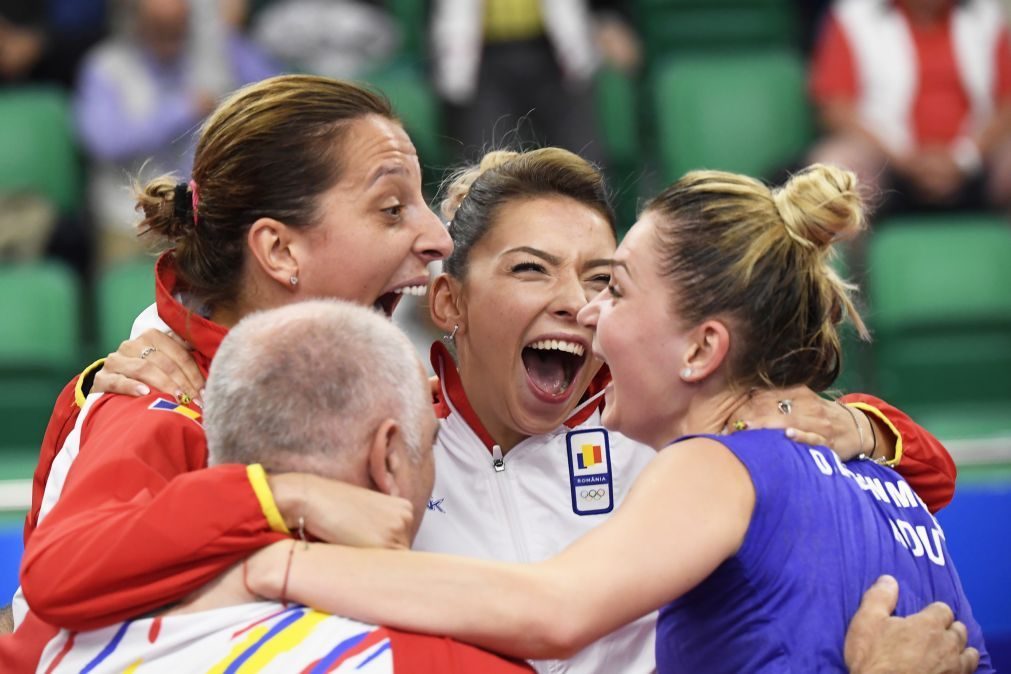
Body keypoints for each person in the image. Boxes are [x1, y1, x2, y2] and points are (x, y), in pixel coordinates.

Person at [86, 149, 960, 674]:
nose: (582, 309)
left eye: (604, 280)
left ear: (701, 346)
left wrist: (867, 429)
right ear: (449, 305)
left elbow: (921, 470)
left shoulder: (674, 436)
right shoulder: (373, 439)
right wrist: (138, 376)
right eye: (532, 270)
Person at [2, 73, 453, 672]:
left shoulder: (382, 392)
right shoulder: (154, 399)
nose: (438, 238)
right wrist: (285, 497)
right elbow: (61, 570)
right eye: (392, 209)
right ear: (280, 252)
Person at [36, 299, 531, 673]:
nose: (433, 239)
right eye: (389, 210)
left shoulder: (70, 649)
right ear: (387, 456)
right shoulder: (441, 663)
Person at [75, 0, 279, 263]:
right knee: (128, 289)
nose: (171, 34)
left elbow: (275, 91)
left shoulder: (219, 50)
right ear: (136, 22)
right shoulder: (105, 66)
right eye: (160, 26)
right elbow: (105, 142)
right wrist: (183, 109)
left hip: (207, 215)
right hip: (130, 220)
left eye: (177, 25)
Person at [808, 0, 1011, 214]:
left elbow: (1006, 103)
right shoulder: (852, 16)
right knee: (834, 172)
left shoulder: (987, 15)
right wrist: (903, 160)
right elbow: (835, 108)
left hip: (977, 165)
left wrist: (965, 158)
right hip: (885, 165)